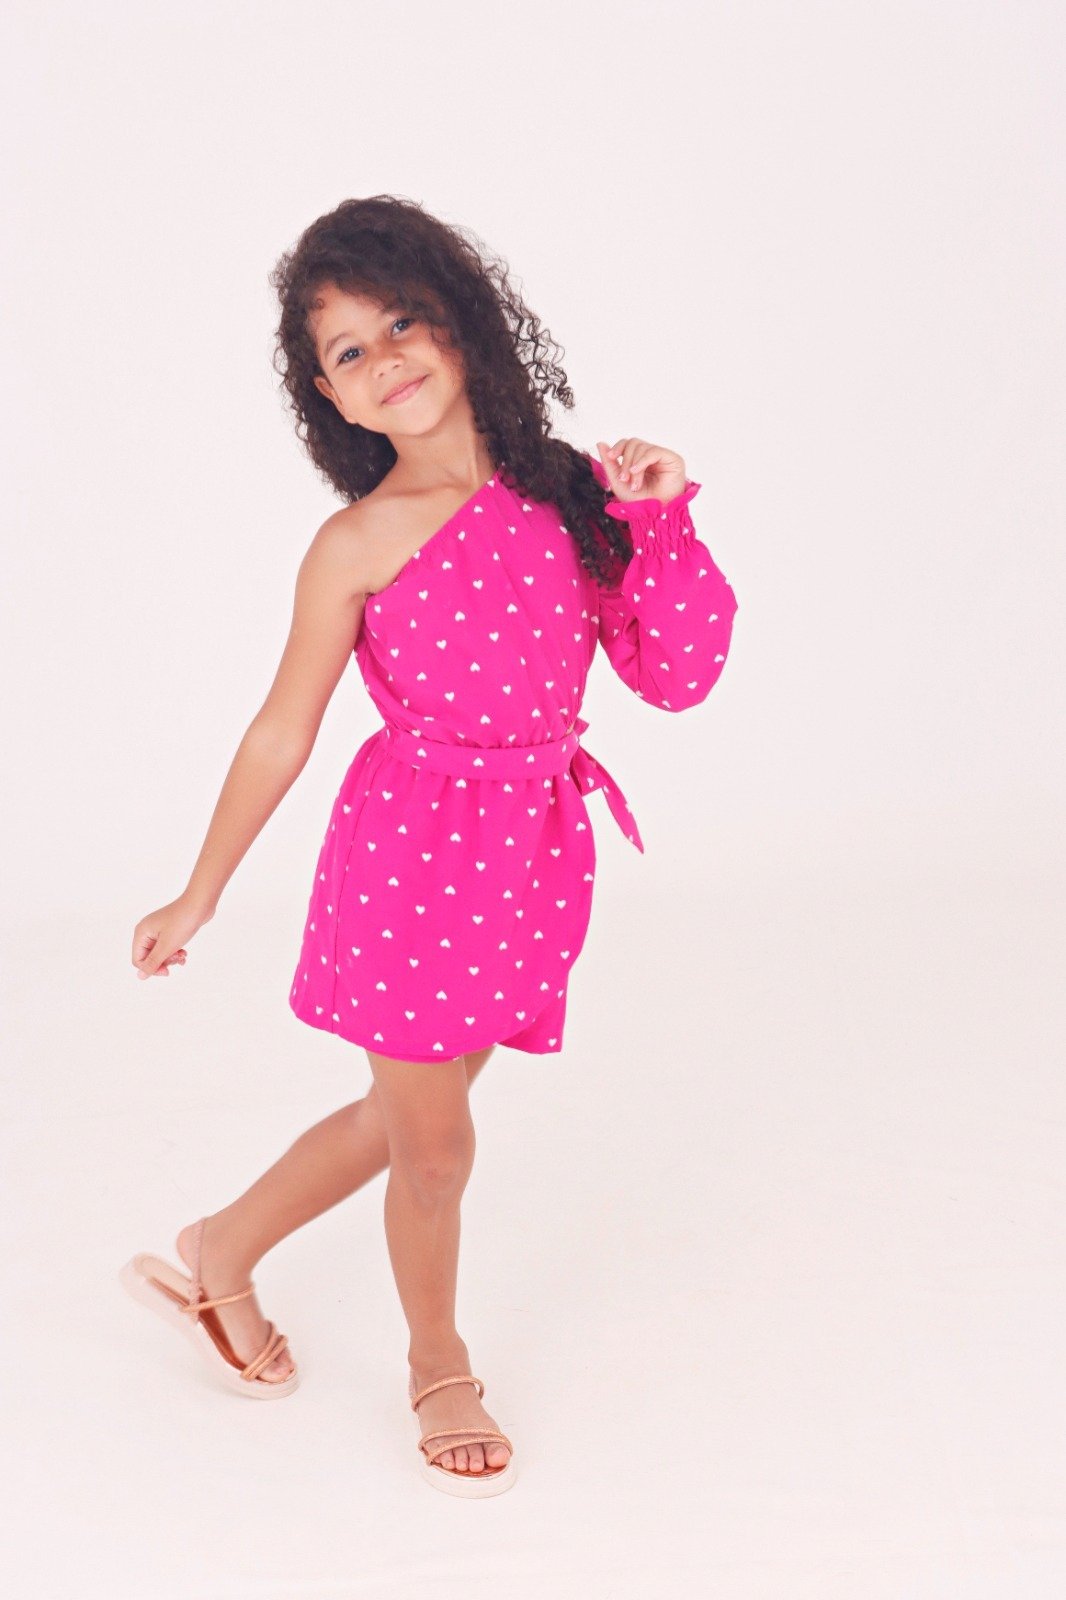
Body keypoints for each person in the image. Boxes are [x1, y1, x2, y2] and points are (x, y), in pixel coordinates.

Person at [122, 194, 739, 1497]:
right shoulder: (354, 543)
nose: (384, 358)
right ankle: (438, 1362)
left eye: (401, 321)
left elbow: (675, 676)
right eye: (348, 350)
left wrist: (661, 518)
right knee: (437, 1145)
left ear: (460, 322)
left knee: (413, 1113)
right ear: (328, 397)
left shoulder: (567, 491)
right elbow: (281, 730)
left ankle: (218, 1250)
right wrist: (199, 892)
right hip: (408, 860)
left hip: (529, 854)